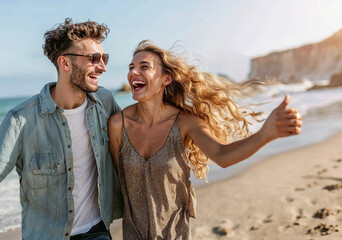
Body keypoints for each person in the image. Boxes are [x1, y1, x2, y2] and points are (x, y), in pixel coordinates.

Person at [108, 40, 303, 239]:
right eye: (131, 67)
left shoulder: (185, 123)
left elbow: (222, 155)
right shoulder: (118, 125)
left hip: (175, 234)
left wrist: (265, 134)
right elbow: (114, 179)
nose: (133, 73)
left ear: (166, 79)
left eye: (144, 67)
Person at [0, 18, 123, 240]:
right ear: (65, 63)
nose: (103, 67)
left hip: (98, 232)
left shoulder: (104, 102)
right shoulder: (20, 119)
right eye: (94, 59)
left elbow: (137, 136)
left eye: (104, 58)